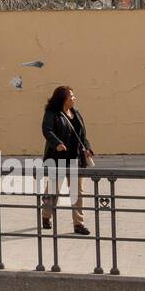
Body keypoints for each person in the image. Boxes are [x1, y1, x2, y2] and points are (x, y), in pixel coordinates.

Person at [40, 85, 93, 235]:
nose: (74, 98)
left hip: (75, 158)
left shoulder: (76, 113)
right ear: (63, 99)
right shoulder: (52, 113)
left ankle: (78, 224)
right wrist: (57, 143)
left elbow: (82, 135)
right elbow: (46, 129)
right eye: (71, 96)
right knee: (53, 190)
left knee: (77, 192)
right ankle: (46, 216)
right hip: (58, 159)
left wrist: (88, 148)